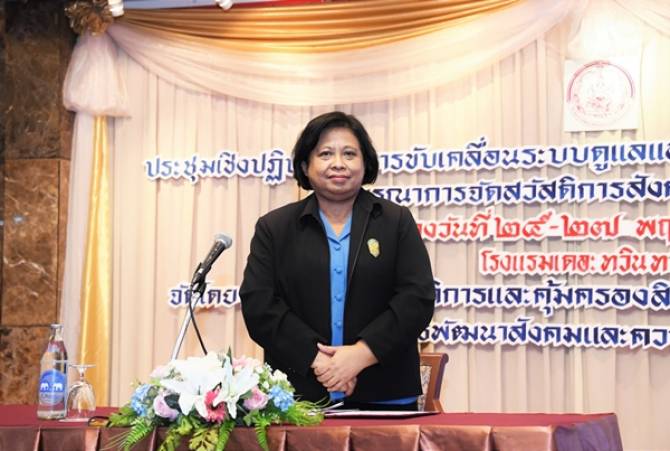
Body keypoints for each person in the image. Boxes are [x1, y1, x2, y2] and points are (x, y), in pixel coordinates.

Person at [240, 111, 435, 410]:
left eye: (349, 154)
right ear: (305, 166)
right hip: (297, 395)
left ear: (365, 163)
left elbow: (416, 298)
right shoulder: (275, 228)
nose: (338, 163)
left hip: (385, 391)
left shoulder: (395, 220)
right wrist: (319, 361)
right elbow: (259, 305)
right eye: (325, 154)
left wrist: (360, 355)